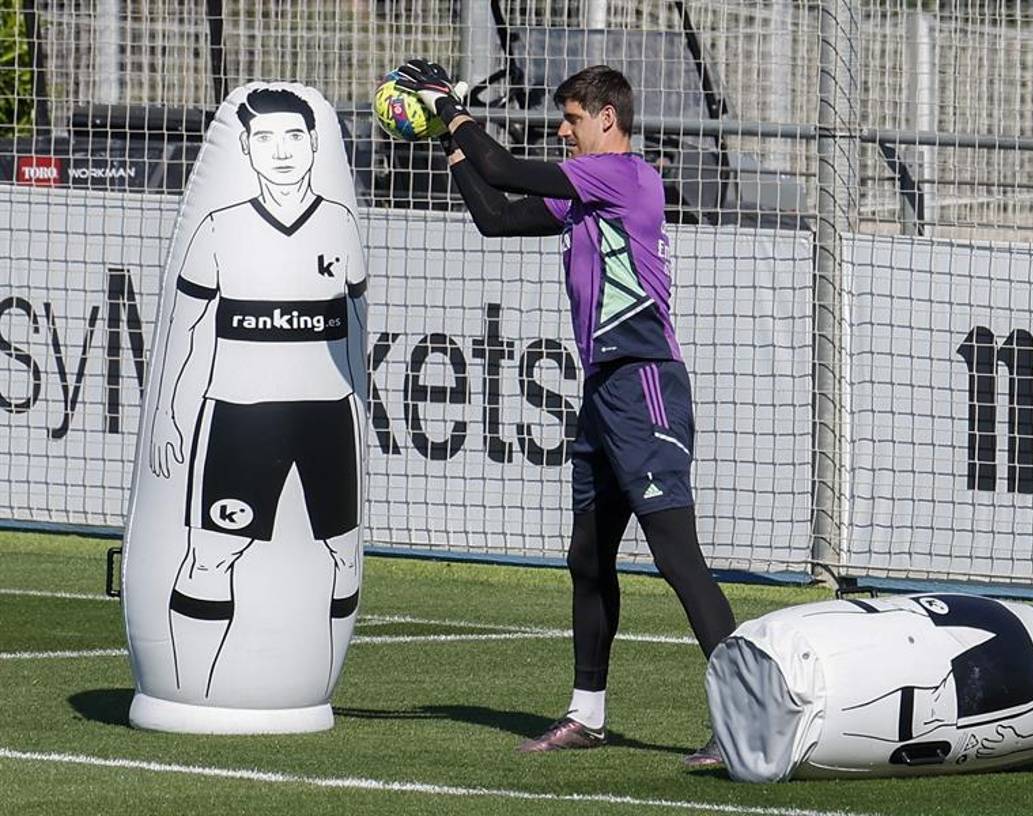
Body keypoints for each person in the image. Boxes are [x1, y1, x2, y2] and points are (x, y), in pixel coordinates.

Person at [393, 60, 736, 766]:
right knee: (588, 557)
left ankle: (749, 715)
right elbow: (496, 213)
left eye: (573, 117)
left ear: (607, 119)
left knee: (677, 555)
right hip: (604, 394)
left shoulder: (626, 175)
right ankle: (587, 715)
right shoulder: (586, 194)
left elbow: (510, 167)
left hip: (643, 384)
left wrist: (452, 109)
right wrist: (445, 137)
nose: (563, 128)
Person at [148, 87, 367, 700]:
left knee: (342, 558)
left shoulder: (338, 223)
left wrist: (361, 409)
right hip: (240, 419)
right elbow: (184, 330)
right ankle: (190, 695)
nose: (281, 151)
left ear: (315, 144)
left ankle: (313, 694)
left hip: (327, 420)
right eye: (265, 139)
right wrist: (169, 415)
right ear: (244, 148)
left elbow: (350, 328)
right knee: (212, 556)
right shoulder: (219, 229)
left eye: (294, 137)